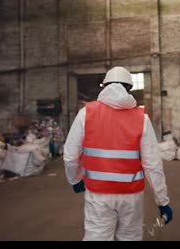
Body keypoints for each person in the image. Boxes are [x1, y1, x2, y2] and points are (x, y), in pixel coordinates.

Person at [63, 66, 173, 241]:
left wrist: (75, 179)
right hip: (131, 196)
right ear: (129, 88)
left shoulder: (86, 114)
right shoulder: (141, 118)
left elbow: (70, 155)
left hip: (98, 195)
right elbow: (153, 165)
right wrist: (162, 201)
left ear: (104, 86)